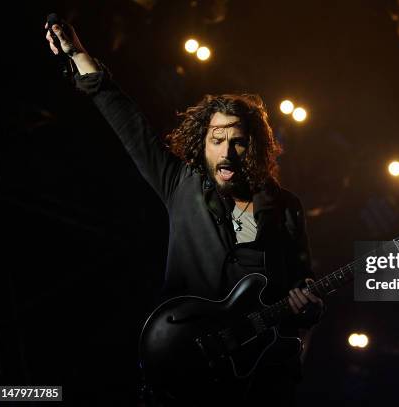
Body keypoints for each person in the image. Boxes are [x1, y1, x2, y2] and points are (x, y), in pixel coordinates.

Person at [44, 19, 325, 406]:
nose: (227, 153)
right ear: (203, 143)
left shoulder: (285, 207)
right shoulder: (181, 183)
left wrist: (308, 307)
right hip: (183, 356)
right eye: (217, 140)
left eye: (238, 143)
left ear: (255, 148)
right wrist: (79, 54)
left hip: (253, 376)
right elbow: (129, 123)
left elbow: (300, 287)